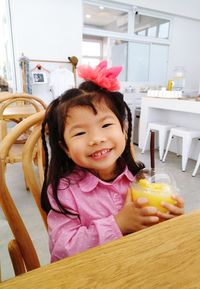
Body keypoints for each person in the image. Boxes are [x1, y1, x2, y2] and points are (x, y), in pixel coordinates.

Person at [41, 61, 184, 262]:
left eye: (106, 124)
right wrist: (118, 224)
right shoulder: (65, 191)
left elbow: (150, 235)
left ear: (124, 130)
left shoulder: (139, 180)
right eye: (80, 132)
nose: (96, 139)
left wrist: (166, 217)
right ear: (65, 147)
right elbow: (62, 249)